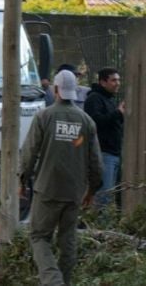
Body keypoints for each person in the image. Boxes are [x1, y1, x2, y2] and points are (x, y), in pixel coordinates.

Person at [19, 70, 103, 286]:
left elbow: (29, 153)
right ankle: (64, 281)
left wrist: (22, 181)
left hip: (47, 189)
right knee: (68, 240)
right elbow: (96, 162)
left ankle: (53, 280)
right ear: (74, 91)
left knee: (39, 237)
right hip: (74, 191)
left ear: (56, 89)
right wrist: (91, 191)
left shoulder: (43, 116)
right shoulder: (87, 121)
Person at [83, 67, 125, 207]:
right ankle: (99, 226)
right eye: (114, 80)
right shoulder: (94, 99)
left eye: (118, 80)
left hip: (113, 153)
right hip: (104, 153)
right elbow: (95, 123)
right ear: (103, 82)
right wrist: (117, 113)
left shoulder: (109, 99)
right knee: (103, 197)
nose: (117, 83)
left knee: (110, 195)